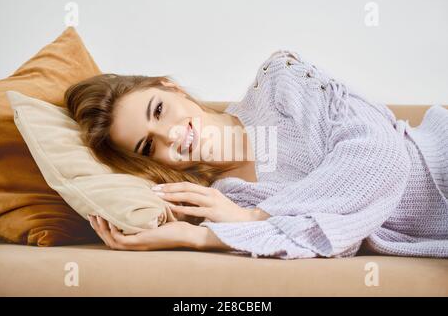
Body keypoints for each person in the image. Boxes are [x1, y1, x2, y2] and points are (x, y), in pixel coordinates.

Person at [65, 50, 448, 259]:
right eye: (149, 146)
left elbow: (382, 158)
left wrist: (254, 218)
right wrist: (199, 238)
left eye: (160, 110)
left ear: (173, 88)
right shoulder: (222, 200)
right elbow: (332, 240)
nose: (172, 136)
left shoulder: (280, 84)